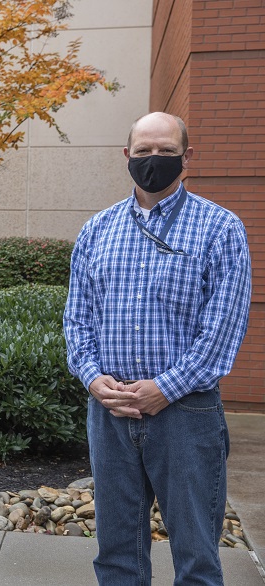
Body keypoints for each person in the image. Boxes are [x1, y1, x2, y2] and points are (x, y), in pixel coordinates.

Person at [64, 112, 251, 585]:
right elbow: (77, 319)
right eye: (144, 151)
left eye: (166, 152)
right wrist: (92, 377)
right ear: (127, 156)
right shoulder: (96, 230)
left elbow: (222, 332)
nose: (154, 160)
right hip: (110, 414)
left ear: (186, 157)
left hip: (186, 415)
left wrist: (163, 389)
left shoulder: (220, 229)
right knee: (117, 554)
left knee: (196, 557)